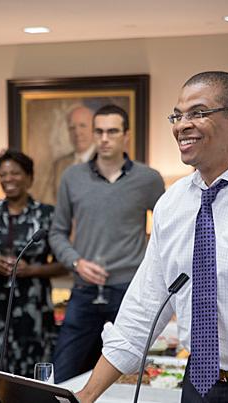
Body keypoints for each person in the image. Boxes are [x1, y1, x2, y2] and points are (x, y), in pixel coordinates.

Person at [77, 72, 228, 403]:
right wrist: (85, 395)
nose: (182, 125)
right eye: (177, 115)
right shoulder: (173, 202)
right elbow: (143, 309)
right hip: (199, 384)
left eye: (197, 113)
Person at [49, 104, 165, 383]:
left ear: (126, 136)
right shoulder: (72, 177)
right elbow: (57, 232)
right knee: (64, 373)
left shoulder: (148, 179)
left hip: (130, 292)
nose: (104, 138)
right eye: (98, 131)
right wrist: (77, 262)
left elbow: (166, 234)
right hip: (85, 290)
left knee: (128, 379)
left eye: (112, 131)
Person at [0, 150, 65, 378]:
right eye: (3, 174)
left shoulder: (47, 214)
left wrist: (31, 269)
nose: (8, 179)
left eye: (15, 173)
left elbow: (64, 264)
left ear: (29, 178)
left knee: (33, 372)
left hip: (34, 307)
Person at [41, 105, 96, 204]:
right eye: (72, 128)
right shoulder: (59, 165)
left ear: (94, 129)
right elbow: (47, 202)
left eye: (82, 125)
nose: (77, 132)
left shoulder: (106, 162)